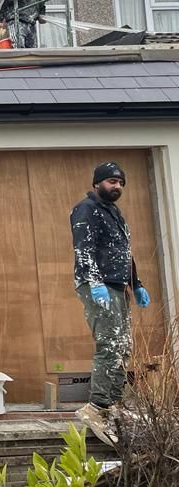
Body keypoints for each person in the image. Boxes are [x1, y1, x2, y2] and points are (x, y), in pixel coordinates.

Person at [72, 161, 151, 442]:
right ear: (97, 183)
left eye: (121, 183)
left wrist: (136, 283)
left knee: (123, 346)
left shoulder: (115, 213)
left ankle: (114, 404)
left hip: (118, 286)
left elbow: (125, 252)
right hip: (99, 285)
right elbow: (84, 248)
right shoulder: (87, 209)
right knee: (109, 343)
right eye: (112, 181)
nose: (117, 187)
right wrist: (94, 282)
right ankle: (97, 407)